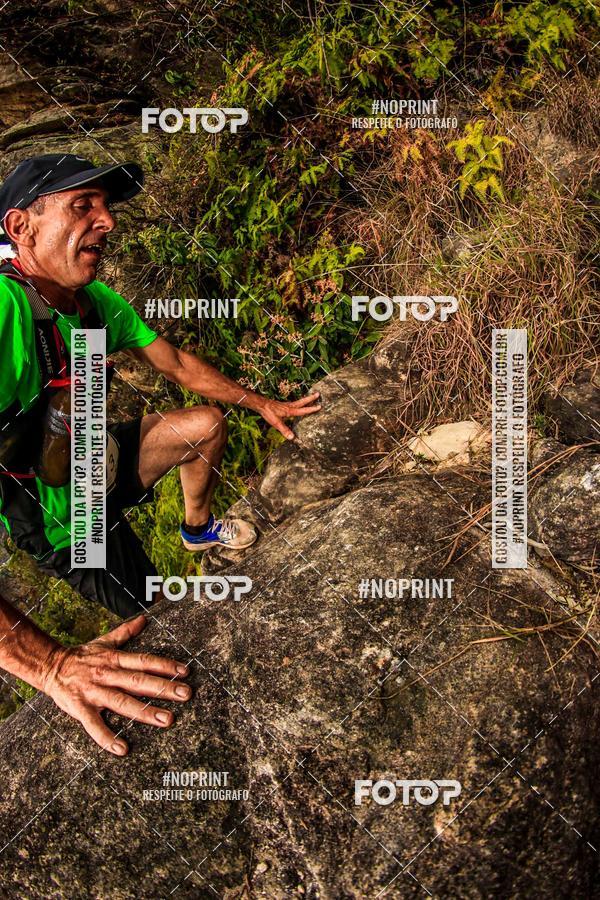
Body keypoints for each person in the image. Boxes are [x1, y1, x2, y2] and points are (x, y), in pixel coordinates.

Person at [0, 153, 321, 754]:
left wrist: (260, 403)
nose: (107, 222)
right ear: (22, 228)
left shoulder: (94, 304)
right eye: (81, 206)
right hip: (66, 519)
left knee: (203, 425)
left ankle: (197, 533)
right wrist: (46, 665)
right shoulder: (5, 310)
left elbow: (176, 365)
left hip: (92, 457)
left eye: (105, 206)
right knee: (173, 627)